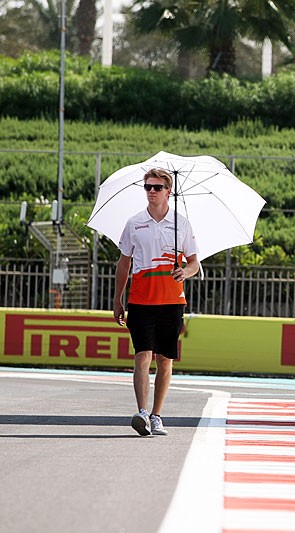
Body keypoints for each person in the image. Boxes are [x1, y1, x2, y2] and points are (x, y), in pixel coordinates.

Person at [113, 168, 199, 436]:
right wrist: (117, 299)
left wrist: (184, 271)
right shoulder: (134, 223)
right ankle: (141, 412)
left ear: (168, 191)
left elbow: (195, 262)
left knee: (164, 360)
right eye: (148, 187)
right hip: (140, 301)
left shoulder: (181, 224)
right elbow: (124, 262)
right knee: (142, 355)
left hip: (172, 302)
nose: (152, 191)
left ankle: (157, 415)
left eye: (157, 187)